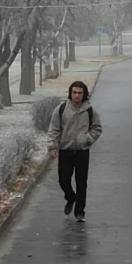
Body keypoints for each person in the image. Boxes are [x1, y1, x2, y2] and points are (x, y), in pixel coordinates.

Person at [51, 78, 102, 218]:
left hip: (82, 152)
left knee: (81, 183)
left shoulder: (90, 111)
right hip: (65, 151)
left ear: (84, 94)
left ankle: (80, 211)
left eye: (80, 93)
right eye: (74, 92)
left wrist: (88, 139)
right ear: (70, 93)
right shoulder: (61, 109)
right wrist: (53, 146)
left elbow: (97, 128)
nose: (77, 95)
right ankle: (70, 197)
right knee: (63, 181)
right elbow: (54, 129)